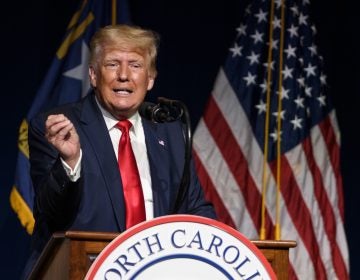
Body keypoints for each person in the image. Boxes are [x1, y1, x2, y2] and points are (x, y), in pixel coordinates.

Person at [23, 24, 216, 277]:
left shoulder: (171, 132)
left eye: (135, 65)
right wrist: (70, 161)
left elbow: (195, 208)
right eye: (112, 64)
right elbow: (52, 214)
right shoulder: (58, 127)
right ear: (93, 75)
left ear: (150, 79)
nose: (124, 75)